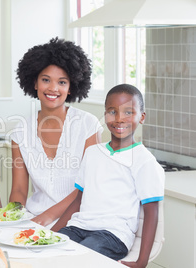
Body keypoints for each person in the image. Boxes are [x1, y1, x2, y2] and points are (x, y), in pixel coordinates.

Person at [51, 84, 165, 267]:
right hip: (78, 227)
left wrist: (142, 261)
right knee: (49, 253)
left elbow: (152, 212)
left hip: (112, 235)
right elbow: (78, 201)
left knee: (77, 261)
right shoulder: (92, 153)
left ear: (141, 117)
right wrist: (51, 234)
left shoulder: (144, 161)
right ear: (105, 115)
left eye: (128, 112)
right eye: (112, 112)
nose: (119, 119)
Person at [9, 37, 103, 226]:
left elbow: (88, 187)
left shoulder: (87, 125)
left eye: (62, 82)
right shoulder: (20, 132)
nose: (53, 88)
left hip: (79, 219)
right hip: (33, 219)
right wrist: (11, 220)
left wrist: (49, 216)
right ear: (34, 83)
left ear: (71, 88)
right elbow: (19, 190)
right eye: (46, 80)